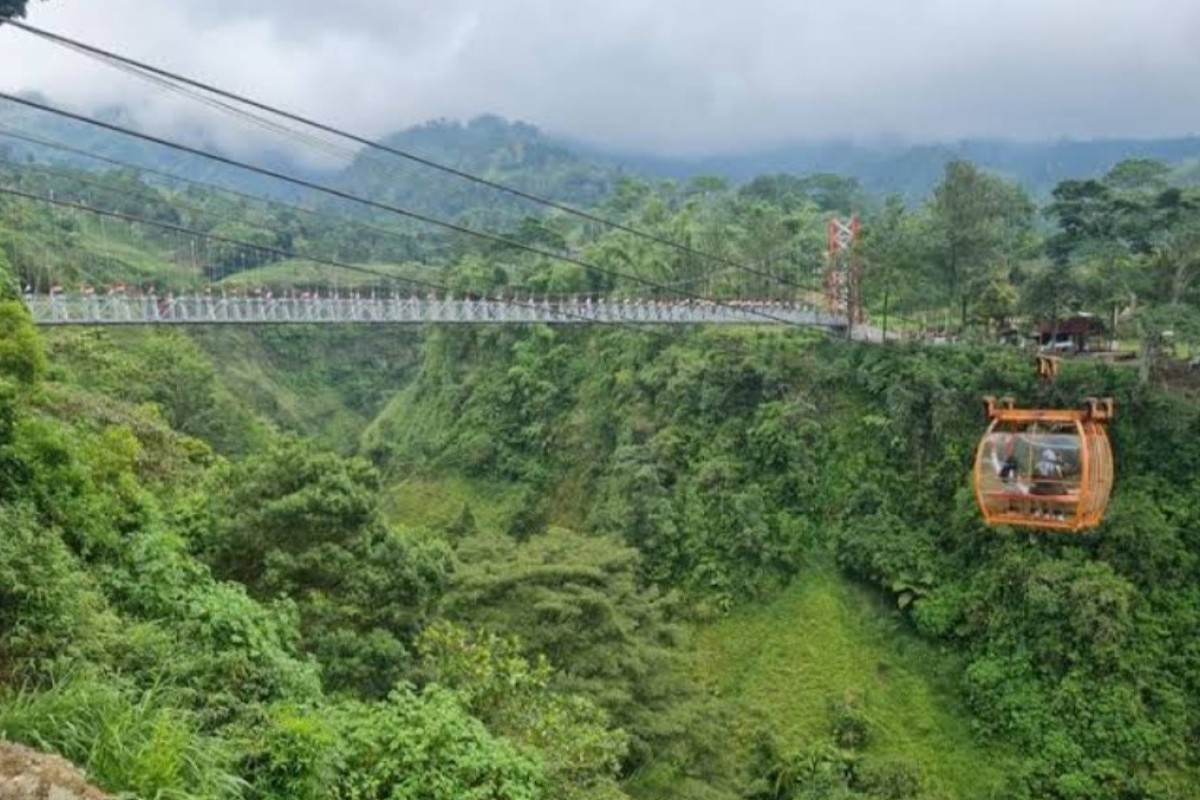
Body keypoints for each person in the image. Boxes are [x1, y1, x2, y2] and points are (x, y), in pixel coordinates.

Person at [1031, 449, 1064, 519]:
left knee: (1033, 491)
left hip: (1040, 491)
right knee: (1053, 492)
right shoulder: (1056, 467)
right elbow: (1060, 479)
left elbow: (1033, 478)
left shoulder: (1038, 466)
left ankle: (1040, 510)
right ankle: (1051, 513)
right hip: (1053, 491)